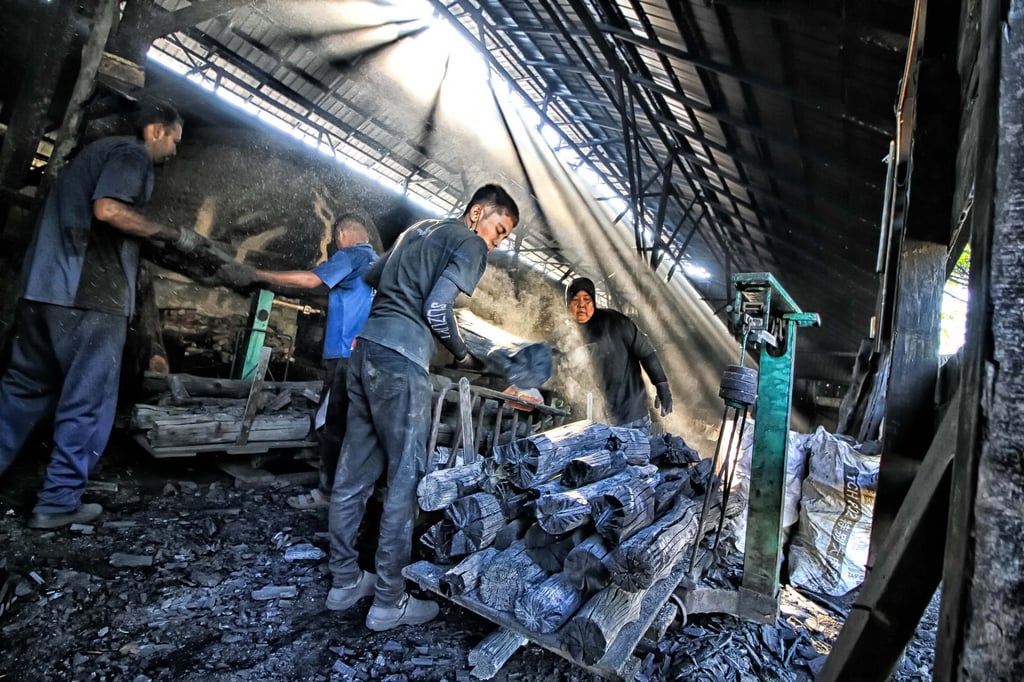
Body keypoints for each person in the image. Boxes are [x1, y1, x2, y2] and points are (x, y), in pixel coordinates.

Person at [0, 99, 205, 529]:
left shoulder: (91, 157)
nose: (174, 151)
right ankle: (57, 503)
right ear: (155, 131)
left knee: (20, 392)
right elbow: (108, 210)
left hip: (43, 290)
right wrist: (174, 233)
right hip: (90, 295)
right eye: (174, 140)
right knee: (86, 400)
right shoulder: (131, 155)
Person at [326, 184, 519, 631]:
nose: (497, 240)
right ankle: (389, 600)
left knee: (352, 475)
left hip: (365, 352)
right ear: (477, 214)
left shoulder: (417, 230)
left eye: (505, 236)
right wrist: (462, 354)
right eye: (499, 228)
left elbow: (373, 274)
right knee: (403, 480)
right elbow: (436, 310)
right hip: (401, 362)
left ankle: (343, 582)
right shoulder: (470, 244)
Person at [237, 214, 378, 509]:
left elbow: (311, 279)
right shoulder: (379, 264)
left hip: (344, 357)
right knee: (356, 426)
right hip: (369, 357)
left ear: (341, 234)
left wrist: (261, 275)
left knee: (329, 424)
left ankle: (328, 494)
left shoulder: (351, 255)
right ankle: (353, 492)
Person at [566, 277, 673, 430]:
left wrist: (662, 386)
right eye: (575, 300)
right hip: (596, 417)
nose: (581, 305)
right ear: (568, 304)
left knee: (635, 453)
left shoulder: (616, 323)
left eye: (587, 299)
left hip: (631, 413)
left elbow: (647, 353)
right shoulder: (567, 334)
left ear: (594, 301)